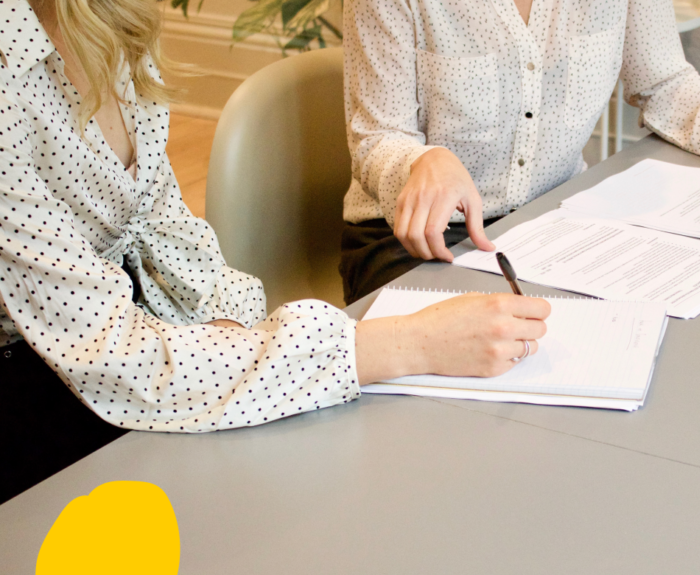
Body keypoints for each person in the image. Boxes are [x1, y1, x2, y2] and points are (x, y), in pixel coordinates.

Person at [0, 0, 550, 504]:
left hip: (131, 343)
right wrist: (407, 344)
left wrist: (239, 335)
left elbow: (167, 234)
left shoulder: (106, 21)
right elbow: (118, 358)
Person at [340, 0, 700, 303]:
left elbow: (663, 82)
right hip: (411, 241)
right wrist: (421, 162)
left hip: (551, 226)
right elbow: (376, 138)